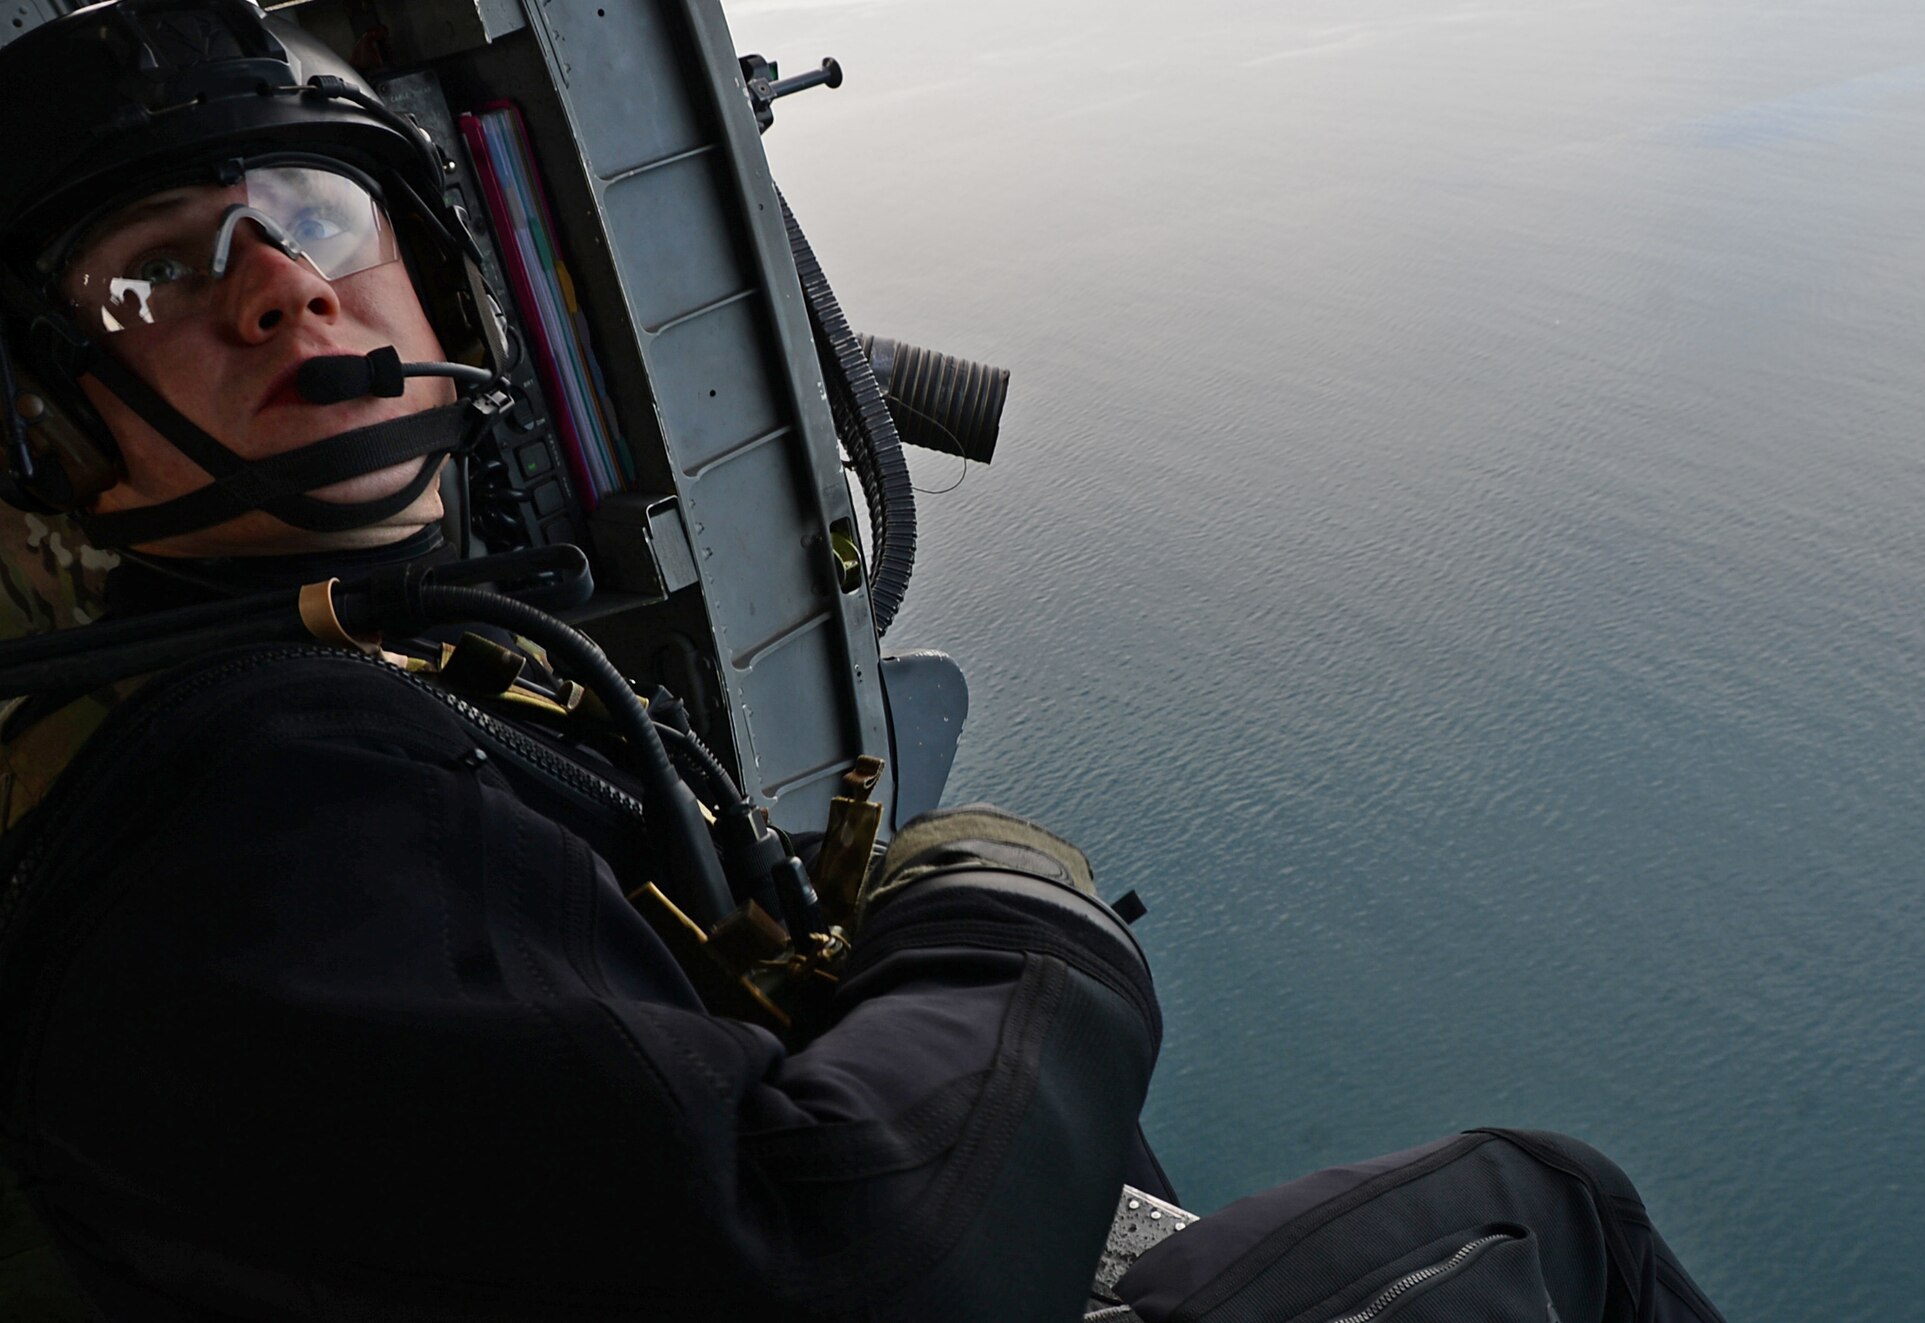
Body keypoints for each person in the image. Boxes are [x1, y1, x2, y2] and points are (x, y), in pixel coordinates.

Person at [0, 3, 1727, 1320]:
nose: (288, 295)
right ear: (44, 427)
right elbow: (874, 1270)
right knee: (1547, 1213)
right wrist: (1013, 911)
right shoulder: (255, 816)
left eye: (315, 219)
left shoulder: (250, 732)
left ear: (436, 283)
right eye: (159, 276)